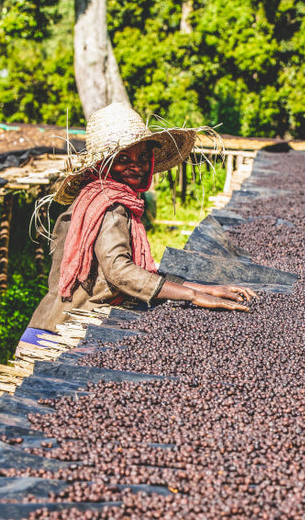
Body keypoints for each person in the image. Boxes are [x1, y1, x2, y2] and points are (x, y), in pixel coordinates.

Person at [19, 103, 255, 350]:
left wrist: (204, 288)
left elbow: (141, 273)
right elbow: (120, 272)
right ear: (103, 164)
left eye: (143, 157)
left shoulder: (98, 197)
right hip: (59, 335)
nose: (136, 165)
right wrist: (194, 296)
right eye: (123, 159)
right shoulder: (110, 205)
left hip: (49, 325)